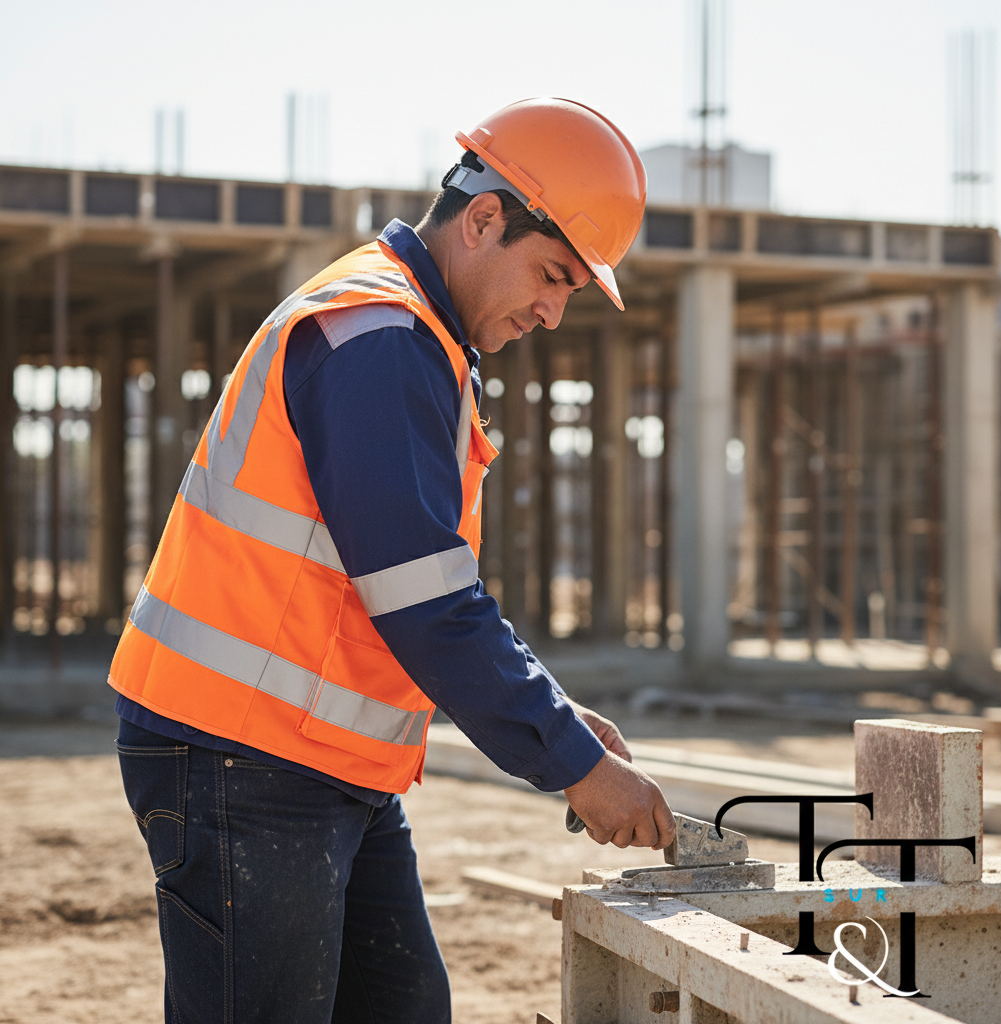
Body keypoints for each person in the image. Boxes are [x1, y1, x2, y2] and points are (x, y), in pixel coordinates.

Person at [110, 97, 675, 1024]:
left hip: (323, 763)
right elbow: (425, 600)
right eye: (551, 274)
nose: (552, 310)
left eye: (569, 288)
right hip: (239, 757)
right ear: (484, 218)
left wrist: (555, 711)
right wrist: (570, 759)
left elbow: (410, 586)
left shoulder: (418, 339)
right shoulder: (377, 337)